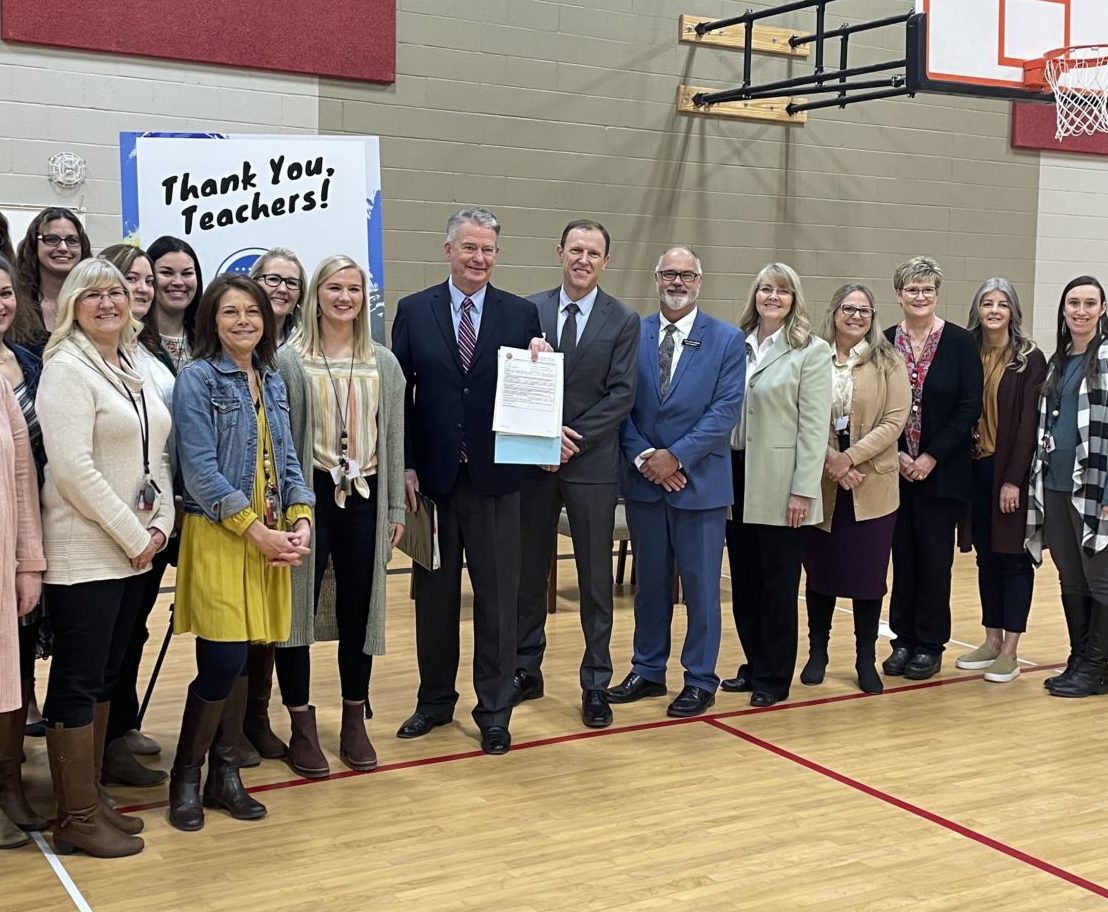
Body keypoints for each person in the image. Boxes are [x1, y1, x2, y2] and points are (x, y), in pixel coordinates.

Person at [391, 207, 543, 755]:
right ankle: (434, 701)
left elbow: (532, 393)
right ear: (448, 250)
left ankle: (495, 709)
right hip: (431, 484)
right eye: (469, 247)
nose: (479, 258)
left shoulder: (520, 314)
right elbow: (399, 397)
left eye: (488, 250)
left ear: (497, 255)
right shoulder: (414, 310)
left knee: (497, 600)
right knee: (434, 600)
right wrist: (405, 464)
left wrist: (541, 364)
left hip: (496, 481)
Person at [36, 259, 175, 858]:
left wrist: (161, 524)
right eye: (92, 294)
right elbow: (73, 470)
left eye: (115, 291)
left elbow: (156, 456)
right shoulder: (65, 368)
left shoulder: (130, 365)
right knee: (77, 680)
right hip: (87, 551)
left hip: (133, 549)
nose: (108, 302)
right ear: (73, 304)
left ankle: (90, 797)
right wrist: (131, 533)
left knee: (104, 676)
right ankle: (74, 817)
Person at [169, 275, 313, 831]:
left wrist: (301, 519)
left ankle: (224, 777)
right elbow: (200, 472)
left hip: (269, 534)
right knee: (222, 660)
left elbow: (289, 461)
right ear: (212, 319)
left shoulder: (270, 378)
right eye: (230, 312)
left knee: (250, 657)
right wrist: (256, 532)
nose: (244, 321)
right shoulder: (197, 378)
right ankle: (186, 776)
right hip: (222, 533)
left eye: (252, 311)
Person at [274, 255, 405, 776]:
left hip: (366, 495)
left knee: (359, 607)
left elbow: (393, 439)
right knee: (296, 610)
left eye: (353, 288)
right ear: (316, 295)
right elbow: (282, 442)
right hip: (309, 496)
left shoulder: (383, 363)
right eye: (334, 287)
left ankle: (355, 717)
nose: (344, 297)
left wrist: (394, 506)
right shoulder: (290, 360)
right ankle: (301, 723)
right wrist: (289, 507)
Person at [608, 247, 744, 718]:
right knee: (649, 587)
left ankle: (700, 678)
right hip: (645, 481)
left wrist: (676, 457)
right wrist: (646, 457)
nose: (677, 282)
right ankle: (647, 670)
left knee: (701, 588)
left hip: (699, 484)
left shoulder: (727, 339)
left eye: (687, 274)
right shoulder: (633, 332)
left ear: (699, 281)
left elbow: (725, 410)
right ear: (656, 277)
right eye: (669, 273)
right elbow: (619, 403)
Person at [514, 220, 639, 728]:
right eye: (575, 250)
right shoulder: (528, 311)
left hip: (591, 465)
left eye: (593, 252)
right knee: (528, 573)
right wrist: (543, 437)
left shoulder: (623, 319)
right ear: (559, 252)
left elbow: (622, 395)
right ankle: (526, 669)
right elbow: (513, 380)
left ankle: (595, 682)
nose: (583, 259)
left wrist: (570, 439)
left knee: (594, 579)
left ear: (605, 261)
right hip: (534, 466)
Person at [720, 264, 832, 707]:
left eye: (782, 291)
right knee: (744, 581)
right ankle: (754, 664)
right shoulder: (736, 343)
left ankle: (774, 676)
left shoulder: (810, 351)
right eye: (766, 289)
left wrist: (803, 489)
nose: (773, 297)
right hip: (735, 475)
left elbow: (814, 428)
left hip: (782, 482)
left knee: (777, 585)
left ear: (794, 299)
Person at [94, 244, 177, 786]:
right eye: (132, 278)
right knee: (105, 646)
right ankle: (99, 754)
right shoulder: (90, 356)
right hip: (110, 525)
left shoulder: (145, 352)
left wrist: (161, 523)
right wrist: (134, 531)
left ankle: (120, 730)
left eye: (148, 279)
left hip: (154, 520)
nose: (143, 288)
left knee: (131, 635)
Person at [800, 284, 909, 694]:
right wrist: (830, 460)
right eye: (849, 308)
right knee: (820, 575)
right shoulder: (812, 355)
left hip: (872, 485)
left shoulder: (888, 360)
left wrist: (848, 458)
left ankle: (865, 658)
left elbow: (894, 421)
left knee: (868, 579)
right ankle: (818, 653)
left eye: (864, 310)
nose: (856, 316)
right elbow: (800, 414)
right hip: (821, 482)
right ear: (834, 312)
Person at [881, 256, 982, 681]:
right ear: (899, 294)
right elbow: (876, 404)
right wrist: (898, 454)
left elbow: (969, 406)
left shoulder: (960, 342)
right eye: (912, 289)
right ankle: (902, 640)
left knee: (935, 562)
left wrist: (930, 456)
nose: (920, 296)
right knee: (902, 560)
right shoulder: (885, 341)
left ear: (937, 294)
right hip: (894, 472)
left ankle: (929, 644)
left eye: (927, 289)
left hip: (942, 472)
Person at [955, 279, 1046, 683]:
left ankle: (1010, 649)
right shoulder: (966, 350)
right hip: (974, 468)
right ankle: (991, 639)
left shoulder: (1029, 358)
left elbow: (1029, 424)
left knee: (1013, 557)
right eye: (987, 303)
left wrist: (1013, 479)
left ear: (1013, 312)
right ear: (977, 310)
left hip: (1008, 471)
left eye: (1002, 304)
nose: (994, 310)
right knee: (986, 556)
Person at [239, 246, 308, 763]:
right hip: (235, 509)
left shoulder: (302, 347)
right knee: (235, 624)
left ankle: (257, 719)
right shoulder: (227, 351)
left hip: (284, 499)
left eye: (291, 282)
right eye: (271, 279)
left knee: (270, 623)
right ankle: (231, 730)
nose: (281, 289)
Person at [1027, 276, 1108, 698]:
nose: (1080, 310)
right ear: (1063, 309)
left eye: (1089, 303)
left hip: (1094, 489)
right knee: (1070, 578)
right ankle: (1079, 659)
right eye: (1073, 303)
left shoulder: (1106, 359)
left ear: (1102, 310)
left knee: (1100, 579)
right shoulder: (1059, 360)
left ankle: (1097, 669)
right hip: (1055, 487)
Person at [0, 256, 49, 836]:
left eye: (5, 293)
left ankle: (9, 783)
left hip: (13, 543)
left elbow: (22, 476)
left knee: (13, 669)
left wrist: (29, 563)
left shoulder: (27, 366)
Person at [14, 207, 92, 338]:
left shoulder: (96, 302)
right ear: (34, 244)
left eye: (72, 240)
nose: (63, 248)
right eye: (51, 239)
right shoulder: (16, 303)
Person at [146, 236, 203, 371]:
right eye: (167, 273)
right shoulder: (131, 341)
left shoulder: (210, 338)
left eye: (187, 273)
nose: (178, 282)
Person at [250, 247, 306, 344]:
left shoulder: (308, 344)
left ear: (300, 294)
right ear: (253, 284)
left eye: (292, 283)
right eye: (273, 279)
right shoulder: (233, 338)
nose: (283, 289)